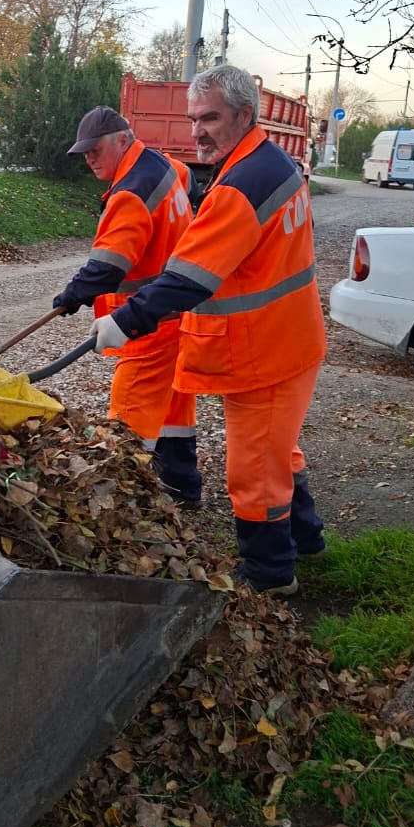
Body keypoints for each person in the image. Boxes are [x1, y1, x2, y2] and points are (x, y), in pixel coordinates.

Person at [90, 66, 327, 596]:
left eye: (211, 118)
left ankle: (269, 572)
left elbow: (188, 277)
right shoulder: (275, 163)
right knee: (279, 450)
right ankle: (306, 538)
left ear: (245, 115)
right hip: (290, 337)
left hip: (264, 349)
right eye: (193, 119)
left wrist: (124, 321)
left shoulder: (239, 188)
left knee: (254, 470)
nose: (198, 131)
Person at [52, 105, 203, 504]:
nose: (89, 158)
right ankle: (182, 489)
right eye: (84, 152)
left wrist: (72, 295)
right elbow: (190, 184)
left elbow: (106, 267)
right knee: (172, 409)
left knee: (129, 412)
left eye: (95, 149)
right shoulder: (165, 167)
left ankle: (120, 503)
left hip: (144, 321)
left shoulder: (130, 194)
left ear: (123, 140)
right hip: (177, 313)